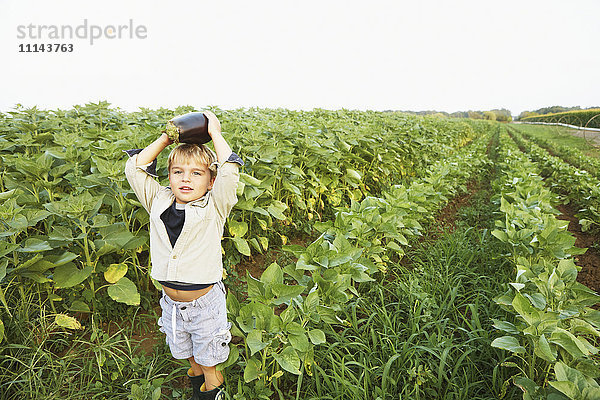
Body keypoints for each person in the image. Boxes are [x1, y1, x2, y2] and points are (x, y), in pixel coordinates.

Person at [124, 110, 243, 400]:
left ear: (210, 181)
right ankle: (197, 391)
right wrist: (168, 137)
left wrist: (214, 132)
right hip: (172, 306)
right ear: (168, 176)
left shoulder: (215, 206)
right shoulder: (158, 199)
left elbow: (229, 171)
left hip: (205, 306)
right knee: (190, 359)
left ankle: (212, 394)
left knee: (209, 363)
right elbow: (134, 169)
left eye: (196, 173)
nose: (186, 179)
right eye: (178, 172)